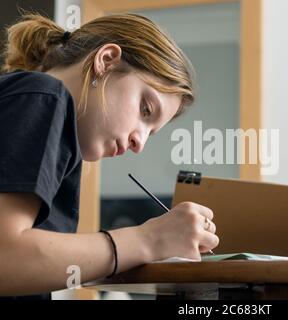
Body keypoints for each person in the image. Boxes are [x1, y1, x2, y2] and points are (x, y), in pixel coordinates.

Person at [0, 13, 219, 299]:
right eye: (145, 110)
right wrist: (149, 238)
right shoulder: (46, 96)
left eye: (150, 133)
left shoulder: (40, 110)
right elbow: (6, 257)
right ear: (106, 60)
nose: (138, 142)